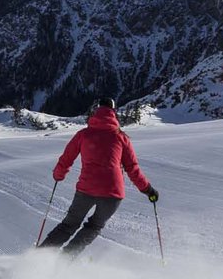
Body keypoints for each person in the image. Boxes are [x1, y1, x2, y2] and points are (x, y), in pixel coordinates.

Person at [39, 97, 158, 257]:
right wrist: (148, 190)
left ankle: (39, 258)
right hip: (113, 194)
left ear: (96, 111)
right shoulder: (121, 137)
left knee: (69, 225)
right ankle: (65, 259)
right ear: (114, 113)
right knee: (94, 227)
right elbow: (132, 168)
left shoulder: (84, 135)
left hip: (86, 190)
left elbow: (66, 158)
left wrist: (58, 175)